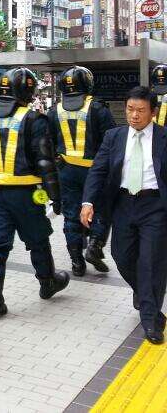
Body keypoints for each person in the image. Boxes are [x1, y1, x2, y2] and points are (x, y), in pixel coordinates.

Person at [0, 67, 68, 319]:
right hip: (28, 194)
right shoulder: (34, 120)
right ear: (28, 91)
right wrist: (55, 195)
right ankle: (48, 282)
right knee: (38, 240)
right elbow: (45, 163)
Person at [82, 86, 167, 345]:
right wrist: (87, 202)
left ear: (153, 112)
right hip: (123, 204)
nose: (134, 115)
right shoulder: (114, 136)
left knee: (150, 261)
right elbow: (98, 171)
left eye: (141, 110)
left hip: (155, 206)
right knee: (121, 256)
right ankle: (144, 294)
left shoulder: (164, 137)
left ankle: (151, 321)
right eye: (130, 109)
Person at [47, 66, 115, 277]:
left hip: (66, 170)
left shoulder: (53, 111)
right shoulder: (98, 109)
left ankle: (77, 262)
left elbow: (48, 143)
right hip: (94, 172)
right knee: (102, 210)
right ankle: (95, 246)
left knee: (70, 216)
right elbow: (111, 141)